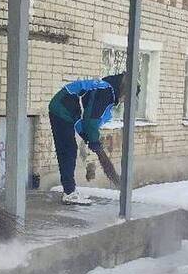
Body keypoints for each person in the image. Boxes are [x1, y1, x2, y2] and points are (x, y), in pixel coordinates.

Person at [48, 73, 133, 205]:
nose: (124, 101)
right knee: (67, 150)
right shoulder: (106, 92)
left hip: (68, 110)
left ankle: (70, 191)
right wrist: (94, 141)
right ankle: (69, 193)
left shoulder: (106, 90)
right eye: (127, 97)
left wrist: (90, 138)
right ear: (125, 90)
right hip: (61, 108)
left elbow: (85, 118)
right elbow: (91, 121)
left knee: (69, 149)